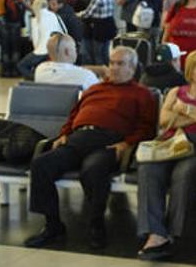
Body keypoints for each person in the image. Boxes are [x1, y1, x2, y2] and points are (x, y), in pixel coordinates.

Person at [25, 46, 157, 250]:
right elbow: (73, 116)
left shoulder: (142, 94)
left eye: (120, 64)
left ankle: (96, 224)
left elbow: (147, 128)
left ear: (132, 68)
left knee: (93, 170)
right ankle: (52, 225)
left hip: (108, 142)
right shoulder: (94, 89)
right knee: (42, 164)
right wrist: (63, 135)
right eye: (112, 63)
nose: (113, 68)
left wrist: (126, 143)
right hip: (78, 139)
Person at [137, 50, 196, 261]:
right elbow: (164, 120)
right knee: (149, 169)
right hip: (171, 143)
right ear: (191, 72)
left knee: (184, 174)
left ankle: (174, 232)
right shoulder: (175, 91)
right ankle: (156, 233)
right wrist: (194, 116)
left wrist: (184, 109)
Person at [17, 0, 66, 81]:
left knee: (21, 66)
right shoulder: (54, 15)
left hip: (42, 50)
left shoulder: (36, 19)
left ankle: (37, 79)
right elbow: (64, 30)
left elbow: (36, 41)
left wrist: (35, 52)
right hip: (56, 49)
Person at [35, 33, 100, 91]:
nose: (76, 51)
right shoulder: (87, 77)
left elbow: (66, 69)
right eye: (75, 47)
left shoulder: (40, 70)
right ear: (67, 52)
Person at [79, 0, 117, 66]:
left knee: (97, 54)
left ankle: (99, 74)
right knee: (105, 52)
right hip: (109, 26)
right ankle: (108, 70)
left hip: (99, 28)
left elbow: (88, 13)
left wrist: (78, 14)